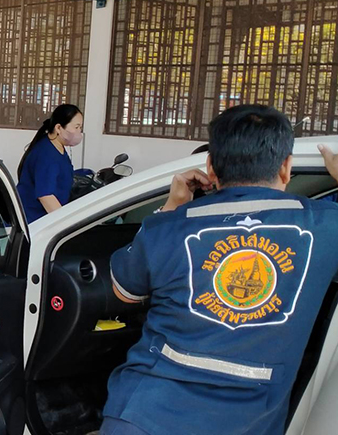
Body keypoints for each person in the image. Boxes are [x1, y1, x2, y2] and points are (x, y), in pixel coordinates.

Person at [101, 105, 338, 435]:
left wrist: (171, 206)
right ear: (286, 167)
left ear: (210, 167)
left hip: (144, 417)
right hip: (247, 423)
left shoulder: (169, 227)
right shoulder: (325, 228)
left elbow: (123, 290)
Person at [16, 104, 84, 223]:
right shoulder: (47, 155)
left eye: (81, 128)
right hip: (34, 221)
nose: (79, 132)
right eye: (76, 127)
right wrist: (66, 223)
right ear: (59, 128)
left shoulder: (56, 147)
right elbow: (46, 196)